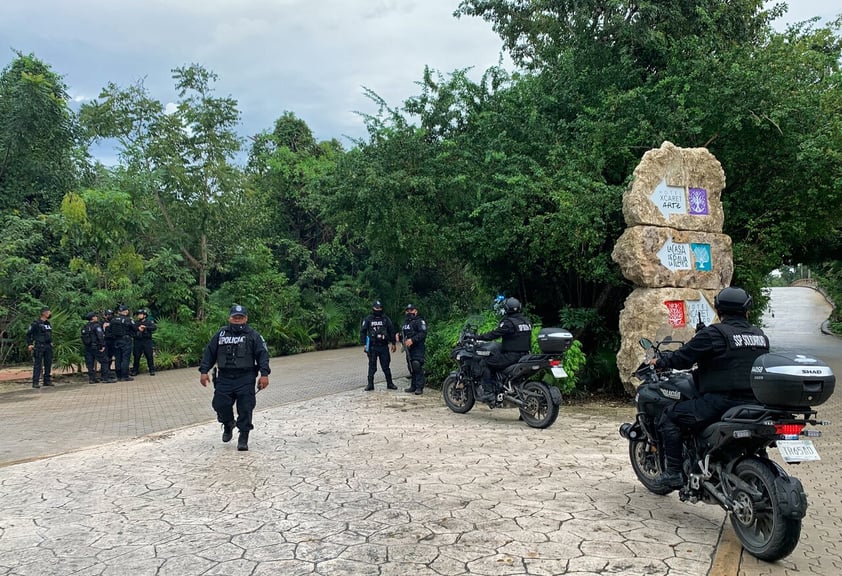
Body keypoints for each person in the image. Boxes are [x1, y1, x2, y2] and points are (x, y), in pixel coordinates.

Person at [650, 286, 769, 490]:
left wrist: (661, 361)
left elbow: (683, 358)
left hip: (720, 402)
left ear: (719, 310)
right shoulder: (759, 335)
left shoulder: (714, 333)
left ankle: (673, 473)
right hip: (756, 402)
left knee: (669, 418)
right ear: (746, 310)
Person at [199, 305, 270, 451]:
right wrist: (204, 371)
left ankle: (243, 436)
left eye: (240, 317)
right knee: (219, 404)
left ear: (246, 318)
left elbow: (262, 355)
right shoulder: (221, 334)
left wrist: (264, 374)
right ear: (229, 318)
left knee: (245, 408)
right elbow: (210, 352)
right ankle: (228, 423)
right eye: (235, 317)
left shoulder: (253, 335)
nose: (237, 320)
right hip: (224, 377)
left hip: (245, 377)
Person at [474, 297, 533, 401]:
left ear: (507, 309)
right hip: (526, 355)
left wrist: (478, 337)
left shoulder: (508, 323)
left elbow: (494, 334)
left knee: (485, 363)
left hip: (512, 356)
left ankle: (488, 392)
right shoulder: (526, 321)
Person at [360, 300, 397, 391]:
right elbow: (363, 332)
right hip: (372, 346)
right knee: (372, 366)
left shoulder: (385, 319)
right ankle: (370, 384)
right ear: (373, 308)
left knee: (386, 366)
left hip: (383, 346)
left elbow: (391, 330)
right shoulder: (368, 319)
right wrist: (365, 344)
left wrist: (393, 343)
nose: (378, 309)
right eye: (377, 308)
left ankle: (390, 383)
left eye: (380, 308)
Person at [396, 304, 427, 395]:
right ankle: (413, 386)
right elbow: (404, 334)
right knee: (411, 366)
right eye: (408, 310)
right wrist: (399, 336)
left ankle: (419, 387)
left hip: (418, 347)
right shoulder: (405, 323)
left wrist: (412, 340)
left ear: (416, 311)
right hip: (409, 349)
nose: (409, 312)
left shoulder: (420, 321)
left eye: (411, 310)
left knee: (416, 365)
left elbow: (423, 333)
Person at [81, 312, 117, 384]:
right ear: (93, 318)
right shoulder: (96, 326)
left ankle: (92, 379)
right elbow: (100, 336)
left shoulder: (85, 326)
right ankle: (105, 378)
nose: (97, 317)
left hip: (88, 347)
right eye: (95, 316)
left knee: (90, 363)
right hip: (96, 347)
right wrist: (102, 345)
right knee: (105, 361)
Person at [26, 307, 54, 389]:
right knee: (38, 364)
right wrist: (30, 344)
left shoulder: (48, 323)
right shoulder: (36, 323)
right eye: (49, 312)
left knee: (48, 363)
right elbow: (28, 334)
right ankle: (35, 382)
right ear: (44, 313)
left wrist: (51, 342)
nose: (50, 313)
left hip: (48, 346)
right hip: (39, 345)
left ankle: (47, 381)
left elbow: (49, 334)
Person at [109, 305, 135, 381]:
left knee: (118, 358)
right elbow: (135, 328)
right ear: (126, 311)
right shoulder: (128, 320)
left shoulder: (113, 320)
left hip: (116, 340)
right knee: (125, 358)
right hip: (126, 340)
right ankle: (125, 376)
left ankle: (118, 375)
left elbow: (110, 330)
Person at [131, 309, 157, 376]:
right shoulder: (136, 322)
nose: (139, 315)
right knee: (136, 356)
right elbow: (132, 329)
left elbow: (154, 327)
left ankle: (152, 370)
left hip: (147, 341)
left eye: (140, 314)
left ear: (144, 315)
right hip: (137, 341)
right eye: (138, 314)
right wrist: (138, 329)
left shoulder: (149, 322)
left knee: (149, 356)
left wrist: (146, 327)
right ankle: (135, 370)